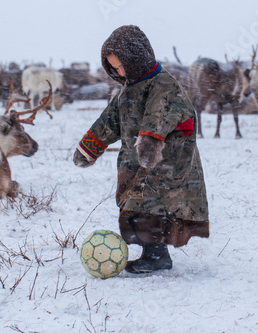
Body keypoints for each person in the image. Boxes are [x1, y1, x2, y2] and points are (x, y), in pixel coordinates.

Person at [73, 25, 209, 274]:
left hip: (166, 161)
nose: (119, 72)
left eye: (122, 66)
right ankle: (152, 253)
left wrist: (149, 142)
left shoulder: (163, 84)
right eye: (114, 68)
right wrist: (89, 147)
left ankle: (157, 257)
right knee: (135, 204)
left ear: (137, 58)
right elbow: (110, 120)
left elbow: (160, 114)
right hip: (136, 160)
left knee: (152, 204)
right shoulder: (128, 89)